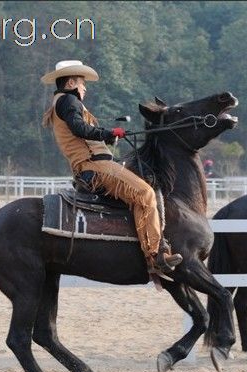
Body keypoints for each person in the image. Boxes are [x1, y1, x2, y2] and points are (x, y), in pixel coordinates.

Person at [41, 60, 182, 276]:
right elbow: (79, 129)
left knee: (138, 194)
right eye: (82, 83)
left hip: (91, 164)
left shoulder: (61, 102)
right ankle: (156, 255)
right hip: (96, 166)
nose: (85, 88)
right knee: (145, 193)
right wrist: (108, 133)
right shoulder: (69, 100)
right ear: (70, 82)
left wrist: (107, 137)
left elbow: (80, 132)